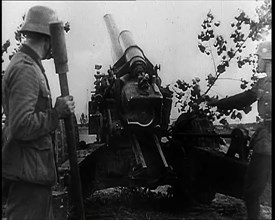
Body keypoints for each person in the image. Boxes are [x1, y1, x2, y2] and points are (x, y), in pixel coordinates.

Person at [2, 5, 75, 220]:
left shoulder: (30, 65)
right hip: (28, 177)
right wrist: (56, 114)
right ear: (49, 37)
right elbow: (21, 126)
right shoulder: (26, 69)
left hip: (33, 173)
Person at [208, 41, 271, 219]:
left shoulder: (265, 83)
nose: (256, 62)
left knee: (251, 191)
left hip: (267, 144)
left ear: (267, 60)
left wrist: (216, 104)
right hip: (265, 141)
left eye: (258, 58)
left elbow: (244, 99)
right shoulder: (264, 82)